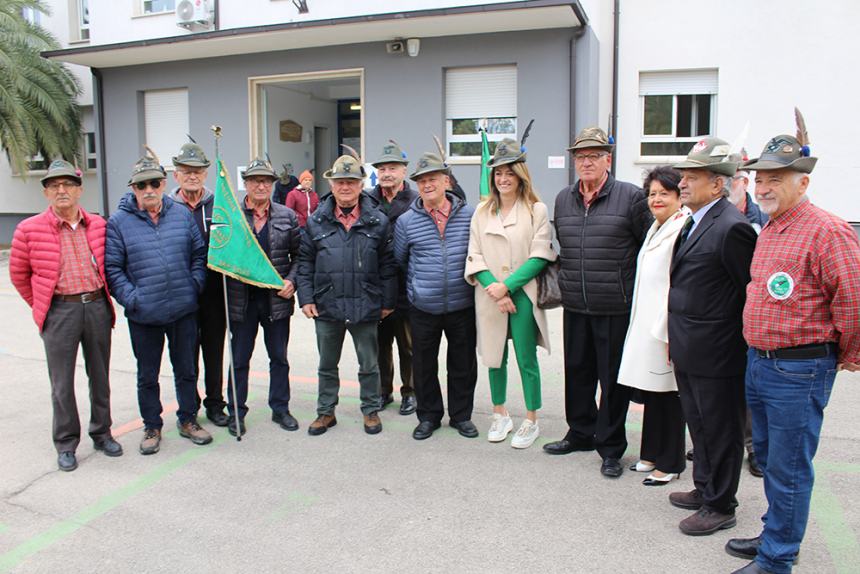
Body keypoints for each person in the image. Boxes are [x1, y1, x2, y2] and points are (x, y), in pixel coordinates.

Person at [726, 127, 860, 574]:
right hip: (760, 363)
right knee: (768, 458)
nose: (764, 187)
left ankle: (778, 558)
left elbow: (853, 301)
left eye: (776, 178)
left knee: (789, 467)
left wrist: (842, 355)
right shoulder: (771, 227)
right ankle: (777, 533)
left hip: (799, 369)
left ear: (803, 182)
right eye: (759, 178)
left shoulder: (828, 230)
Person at [545, 127, 652, 477]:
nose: (586, 162)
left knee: (612, 381)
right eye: (581, 156)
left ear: (608, 159)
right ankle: (580, 432)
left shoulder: (632, 197)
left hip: (615, 305)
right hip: (575, 303)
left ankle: (610, 447)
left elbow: (646, 248)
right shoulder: (563, 198)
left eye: (594, 156)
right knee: (577, 373)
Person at [666, 137, 757, 536]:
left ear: (718, 184)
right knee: (699, 425)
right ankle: (705, 487)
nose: (682, 184)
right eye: (682, 176)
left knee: (721, 429)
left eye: (692, 177)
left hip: (718, 353)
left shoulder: (732, 227)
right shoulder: (698, 219)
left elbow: (746, 292)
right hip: (690, 346)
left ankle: (721, 505)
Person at [10, 159, 121, 471]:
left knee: (100, 375)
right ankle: (66, 442)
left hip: (97, 305)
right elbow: (19, 275)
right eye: (54, 186)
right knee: (61, 382)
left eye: (68, 185)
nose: (62, 190)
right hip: (60, 310)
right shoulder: (28, 230)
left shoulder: (99, 224)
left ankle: (102, 433)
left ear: (79, 189)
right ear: (46, 193)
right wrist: (43, 306)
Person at [105, 149, 212, 455]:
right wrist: (132, 298)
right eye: (142, 185)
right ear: (133, 188)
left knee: (187, 370)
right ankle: (152, 425)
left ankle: (188, 419)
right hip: (144, 314)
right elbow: (113, 268)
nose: (149, 190)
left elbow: (198, 255)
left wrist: (193, 287)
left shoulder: (180, 214)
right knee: (148, 374)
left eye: (154, 183)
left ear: (164, 183)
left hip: (183, 309)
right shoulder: (119, 222)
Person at [297, 153, 397, 436]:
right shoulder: (316, 220)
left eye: (351, 182)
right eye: (340, 182)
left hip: (365, 304)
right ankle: (326, 412)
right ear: (331, 185)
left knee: (369, 364)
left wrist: (387, 301)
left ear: (360, 185)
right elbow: (304, 261)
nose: (345, 187)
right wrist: (306, 298)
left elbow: (388, 264)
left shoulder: (377, 220)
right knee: (327, 365)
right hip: (327, 305)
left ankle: (370, 410)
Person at [464, 138, 555, 448]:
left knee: (526, 357)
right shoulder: (481, 211)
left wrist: (508, 286)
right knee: (494, 357)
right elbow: (474, 255)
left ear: (520, 175)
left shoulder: (536, 210)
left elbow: (540, 255)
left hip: (523, 293)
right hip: (490, 294)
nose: (503, 179)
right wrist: (496, 290)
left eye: (509, 173)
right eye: (498, 173)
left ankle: (531, 419)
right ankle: (500, 413)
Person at [394, 151, 477, 440]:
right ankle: (428, 417)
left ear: (446, 181)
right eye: (422, 180)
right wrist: (418, 288)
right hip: (423, 306)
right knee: (424, 365)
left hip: (462, 304)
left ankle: (461, 416)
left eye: (433, 179)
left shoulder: (470, 215)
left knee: (463, 364)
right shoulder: (406, 222)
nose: (427, 184)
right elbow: (401, 259)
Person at [617, 166, 688, 485]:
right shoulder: (657, 226)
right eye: (652, 194)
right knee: (652, 391)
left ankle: (670, 462)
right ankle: (650, 453)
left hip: (666, 326)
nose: (656, 199)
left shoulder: (683, 227)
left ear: (678, 195)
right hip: (646, 322)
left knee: (670, 395)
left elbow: (679, 283)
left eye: (664, 193)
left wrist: (667, 328)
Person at [224, 157, 302, 437]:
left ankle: (280, 408)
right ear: (245, 183)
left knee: (279, 357)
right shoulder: (231, 217)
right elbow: (220, 255)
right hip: (241, 301)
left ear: (272, 185)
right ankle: (235, 411)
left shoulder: (286, 216)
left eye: (266, 181)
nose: (261, 185)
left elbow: (300, 256)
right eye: (255, 180)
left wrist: (292, 280)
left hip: (276, 301)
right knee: (240, 358)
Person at [168, 142, 229, 427]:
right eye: (186, 171)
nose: (192, 176)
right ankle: (188, 407)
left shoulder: (220, 205)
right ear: (176, 175)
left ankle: (216, 404)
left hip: (215, 292)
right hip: (182, 293)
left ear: (206, 174)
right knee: (186, 355)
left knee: (214, 352)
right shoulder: (167, 209)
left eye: (198, 171)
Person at [367, 141, 418, 415]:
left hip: (406, 284)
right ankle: (382, 391)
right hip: (375, 285)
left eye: (392, 168)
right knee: (379, 345)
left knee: (408, 345)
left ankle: (410, 392)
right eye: (382, 168)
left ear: (404, 171)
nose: (386, 173)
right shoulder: (368, 200)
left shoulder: (415, 201)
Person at [728, 151, 767, 478]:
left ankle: (754, 448)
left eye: (731, 180)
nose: (726, 187)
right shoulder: (707, 216)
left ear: (744, 182)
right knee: (718, 385)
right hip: (719, 314)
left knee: (748, 384)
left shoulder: (762, 218)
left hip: (752, 314)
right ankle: (714, 442)